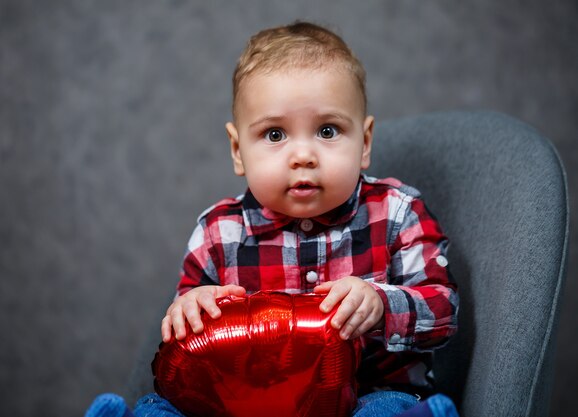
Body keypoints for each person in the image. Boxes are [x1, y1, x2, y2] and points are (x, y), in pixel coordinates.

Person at [86, 21, 459, 417]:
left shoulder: (398, 212)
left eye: (327, 130)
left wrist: (381, 305)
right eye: (275, 135)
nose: (303, 155)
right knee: (160, 407)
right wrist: (192, 309)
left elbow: (444, 312)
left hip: (366, 394)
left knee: (386, 410)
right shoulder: (218, 233)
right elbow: (183, 338)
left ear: (364, 143)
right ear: (237, 149)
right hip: (244, 403)